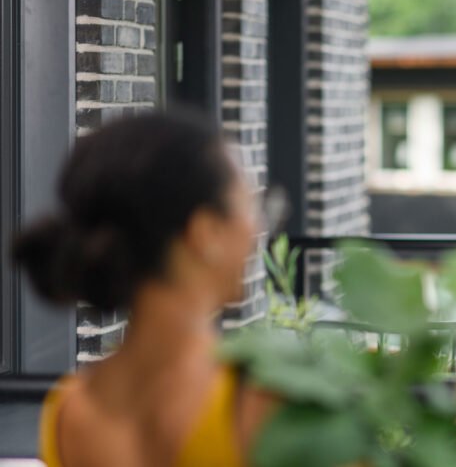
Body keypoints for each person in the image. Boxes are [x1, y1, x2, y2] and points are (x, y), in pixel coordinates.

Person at [13, 112, 276, 466]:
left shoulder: (69, 412)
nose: (256, 229)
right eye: (249, 207)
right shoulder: (263, 403)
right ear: (204, 233)